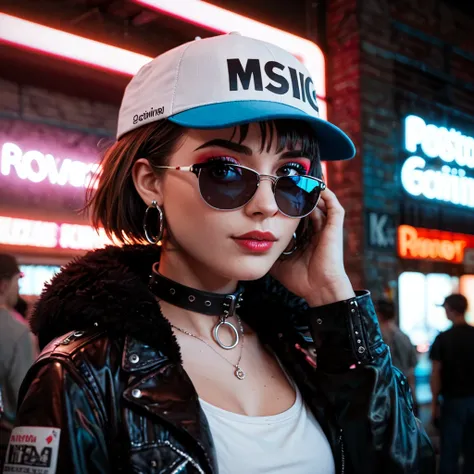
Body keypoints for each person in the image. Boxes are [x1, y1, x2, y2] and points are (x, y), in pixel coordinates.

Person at [4, 33, 434, 474]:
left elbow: (404, 464)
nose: (266, 205)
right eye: (225, 170)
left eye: (290, 175)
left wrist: (333, 298)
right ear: (150, 181)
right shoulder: (79, 373)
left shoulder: (305, 347)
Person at [430, 294, 474, 474]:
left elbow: (436, 374)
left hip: (452, 401)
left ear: (451, 310)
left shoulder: (443, 339)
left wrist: (434, 404)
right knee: (472, 450)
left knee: (449, 451)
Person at [0, 255, 37, 469]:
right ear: (4, 285)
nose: (19, 288)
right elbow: (23, 397)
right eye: (17, 282)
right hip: (5, 441)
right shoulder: (18, 331)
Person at [376, 299, 418, 412]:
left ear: (378, 314)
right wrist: (413, 396)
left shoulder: (376, 341)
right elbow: (411, 371)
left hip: (383, 397)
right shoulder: (404, 337)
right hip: (403, 393)